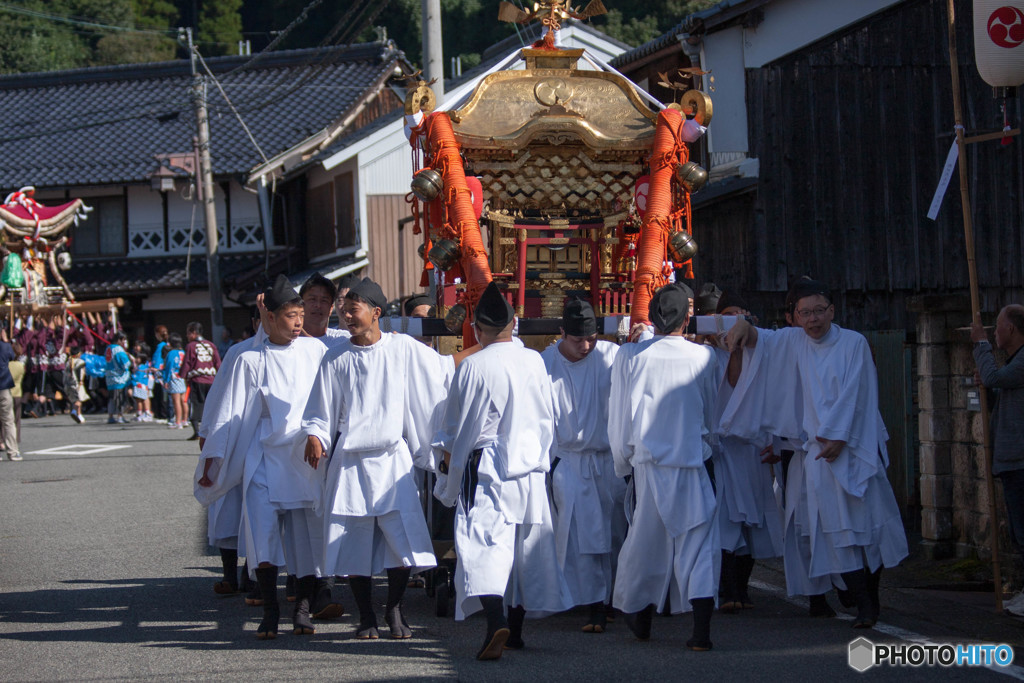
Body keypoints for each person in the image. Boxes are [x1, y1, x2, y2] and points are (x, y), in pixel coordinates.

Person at [726, 278, 909, 628]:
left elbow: (858, 392)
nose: (813, 319)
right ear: (794, 317)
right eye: (805, 313)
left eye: (819, 311)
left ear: (832, 311)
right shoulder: (795, 342)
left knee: (869, 528)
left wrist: (839, 435)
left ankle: (871, 596)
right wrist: (743, 329)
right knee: (837, 530)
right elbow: (762, 342)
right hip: (819, 455)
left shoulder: (853, 343)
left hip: (855, 447)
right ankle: (864, 606)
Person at [302, 277, 448, 640]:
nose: (346, 315)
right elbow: (320, 410)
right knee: (353, 544)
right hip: (350, 462)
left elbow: (443, 370)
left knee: (402, 541)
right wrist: (315, 436)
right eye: (344, 310)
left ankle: (394, 606)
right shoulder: (335, 357)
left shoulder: (402, 349)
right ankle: (366, 615)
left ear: (376, 312)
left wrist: (488, 348)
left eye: (354, 309)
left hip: (392, 459)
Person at [433, 281, 571, 661]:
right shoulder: (535, 361)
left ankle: (496, 622)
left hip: (489, 467)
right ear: (515, 325)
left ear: (478, 328)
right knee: (525, 550)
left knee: (484, 546)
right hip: (530, 468)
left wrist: (449, 467)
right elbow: (549, 416)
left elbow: (458, 426)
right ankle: (516, 632)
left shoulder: (474, 365)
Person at [196, 275, 328, 639]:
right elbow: (228, 412)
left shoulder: (316, 351)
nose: (299, 322)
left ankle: (302, 609)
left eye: (300, 314)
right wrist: (213, 458)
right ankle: (270, 610)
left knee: (306, 538)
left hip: (304, 456)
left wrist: (319, 434)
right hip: (264, 457)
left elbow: (327, 402)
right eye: (290, 315)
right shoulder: (249, 358)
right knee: (263, 535)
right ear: (268, 317)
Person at [609, 282, 719, 650]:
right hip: (690, 463)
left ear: (653, 317)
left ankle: (639, 616)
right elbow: (711, 411)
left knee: (644, 541)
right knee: (698, 543)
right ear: (688, 317)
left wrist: (623, 461)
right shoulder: (704, 358)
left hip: (649, 464)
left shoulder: (631, 357)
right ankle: (701, 631)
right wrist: (708, 446)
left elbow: (620, 416)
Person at [541, 299, 625, 633]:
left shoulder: (610, 355)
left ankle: (615, 596)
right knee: (581, 535)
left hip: (608, 460)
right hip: (570, 460)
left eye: (591, 338)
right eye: (578, 339)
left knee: (616, 531)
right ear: (562, 332)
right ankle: (590, 604)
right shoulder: (546, 363)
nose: (586, 346)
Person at [708, 291, 783, 612]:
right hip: (720, 450)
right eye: (728, 317)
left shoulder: (762, 355)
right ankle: (727, 589)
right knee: (724, 519)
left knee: (751, 520)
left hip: (751, 449)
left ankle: (743, 588)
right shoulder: (704, 356)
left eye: (741, 316)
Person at [971, 305, 1024, 616]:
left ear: (1012, 330)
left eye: (997, 327)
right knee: (1018, 533)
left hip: (1019, 459)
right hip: (1011, 458)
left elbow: (993, 376)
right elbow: (993, 386)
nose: (993, 332)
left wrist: (980, 345)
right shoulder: (1013, 364)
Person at [180, 322, 221, 441]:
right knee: (212, 405)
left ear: (193, 333)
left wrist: (182, 376)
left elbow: (187, 363)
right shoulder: (211, 345)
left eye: (188, 333)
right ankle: (212, 431)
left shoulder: (191, 346)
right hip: (211, 380)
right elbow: (217, 362)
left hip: (197, 379)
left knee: (196, 404)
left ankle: (197, 431)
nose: (187, 336)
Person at [0, 334, 21, 461]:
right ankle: (12, 452)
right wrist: (7, 340)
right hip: (3, 386)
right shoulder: (4, 346)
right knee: (8, 420)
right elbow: (13, 356)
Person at [104, 331, 132, 424]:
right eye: (123, 340)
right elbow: (125, 363)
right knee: (120, 397)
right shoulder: (119, 350)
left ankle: (111, 416)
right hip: (118, 377)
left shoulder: (108, 348)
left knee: (111, 398)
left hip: (109, 376)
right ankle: (120, 416)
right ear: (119, 340)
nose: (124, 342)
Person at [164, 334, 187, 429]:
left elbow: (168, 367)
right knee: (183, 400)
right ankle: (184, 420)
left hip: (174, 377)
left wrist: (166, 379)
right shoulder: (183, 352)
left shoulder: (171, 353)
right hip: (183, 377)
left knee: (176, 401)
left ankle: (177, 422)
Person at [62, 343, 89, 424]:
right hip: (76, 383)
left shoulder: (68, 361)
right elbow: (81, 372)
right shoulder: (80, 362)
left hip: (67, 383)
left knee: (74, 399)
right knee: (79, 400)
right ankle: (74, 411)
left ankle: (79, 415)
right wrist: (81, 380)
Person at [151, 325, 170, 421]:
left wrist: (155, 368)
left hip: (159, 373)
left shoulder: (160, 346)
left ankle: (162, 414)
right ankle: (163, 414)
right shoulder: (167, 345)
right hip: (165, 371)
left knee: (161, 395)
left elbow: (158, 360)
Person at [131, 344, 154, 422]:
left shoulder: (140, 368)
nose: (136, 359)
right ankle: (141, 413)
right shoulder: (143, 367)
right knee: (141, 399)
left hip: (140, 385)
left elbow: (138, 377)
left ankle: (144, 412)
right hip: (143, 385)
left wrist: (132, 377)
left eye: (138, 358)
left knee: (141, 399)